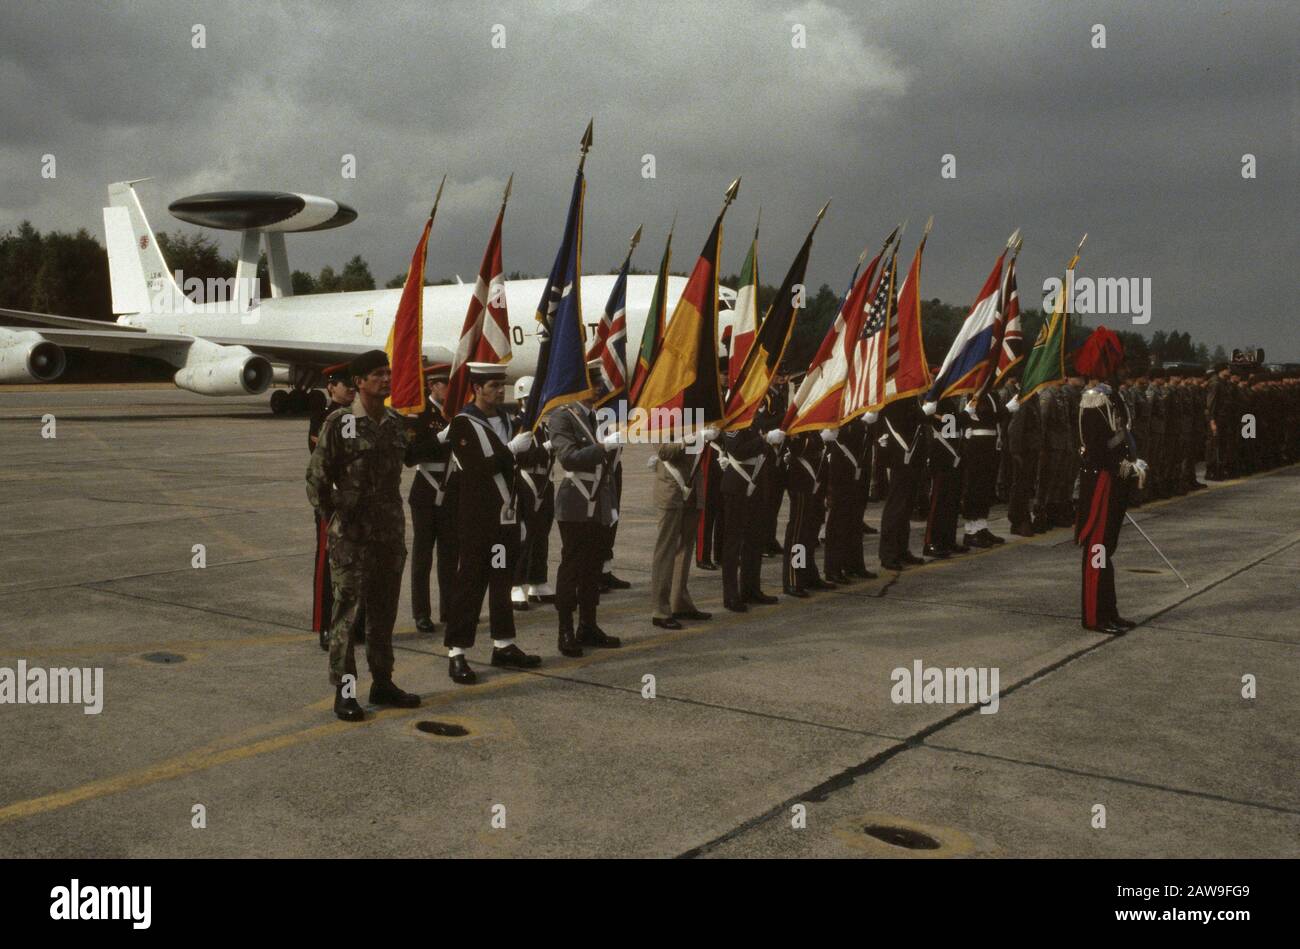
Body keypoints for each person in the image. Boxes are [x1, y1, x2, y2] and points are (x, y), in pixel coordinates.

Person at [305, 350, 420, 721]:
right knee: (347, 615)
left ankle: (383, 682)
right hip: (352, 536)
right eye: (377, 374)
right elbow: (315, 481)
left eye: (388, 373)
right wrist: (339, 514)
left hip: (389, 534)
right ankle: (346, 691)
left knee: (384, 613)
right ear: (359, 382)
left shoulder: (395, 424)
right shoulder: (342, 423)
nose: (386, 379)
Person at [442, 363, 543, 684]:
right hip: (477, 520)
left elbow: (517, 467)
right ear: (477, 389)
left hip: (506, 519)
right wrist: (511, 449)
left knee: (501, 582)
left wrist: (535, 449)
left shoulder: (508, 420)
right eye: (493, 386)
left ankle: (503, 643)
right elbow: (477, 469)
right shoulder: (462, 424)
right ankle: (457, 652)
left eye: (502, 385)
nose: (501, 391)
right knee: (470, 583)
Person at [1074, 330, 1143, 635]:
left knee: (1108, 548)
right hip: (1102, 479)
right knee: (1097, 548)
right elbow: (1097, 448)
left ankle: (1109, 610)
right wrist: (1124, 465)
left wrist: (1131, 460)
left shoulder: (1110, 396)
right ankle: (1094, 615)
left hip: (1113, 478)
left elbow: (1119, 436)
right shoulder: (1093, 399)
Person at [548, 380, 622, 657]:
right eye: (593, 382)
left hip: (600, 501)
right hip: (576, 502)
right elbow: (568, 458)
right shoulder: (562, 416)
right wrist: (603, 446)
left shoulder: (595, 417)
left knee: (593, 567)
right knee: (572, 566)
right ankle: (565, 629)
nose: (601, 387)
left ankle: (588, 625)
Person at [308, 364, 363, 650]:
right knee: (327, 565)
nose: (350, 389)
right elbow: (323, 458)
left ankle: (355, 623)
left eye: (352, 384)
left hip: (357, 501)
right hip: (332, 500)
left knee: (358, 564)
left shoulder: (358, 416)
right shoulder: (323, 417)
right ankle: (326, 626)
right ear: (330, 387)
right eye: (343, 384)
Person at [404, 361, 455, 635]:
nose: (450, 388)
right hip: (426, 490)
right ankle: (422, 613)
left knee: (449, 555)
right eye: (446, 383)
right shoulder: (420, 415)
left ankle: (448, 607)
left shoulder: (456, 412)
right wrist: (440, 439)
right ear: (433, 385)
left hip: (451, 489)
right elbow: (410, 457)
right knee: (423, 557)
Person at [649, 428, 714, 628]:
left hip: (693, 487)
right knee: (666, 550)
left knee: (685, 548)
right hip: (671, 487)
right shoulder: (666, 413)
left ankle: (680, 602)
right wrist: (692, 438)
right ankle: (660, 610)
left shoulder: (697, 413)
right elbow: (664, 451)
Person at [508, 376, 556, 610]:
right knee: (523, 535)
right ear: (522, 400)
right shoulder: (518, 425)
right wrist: (545, 450)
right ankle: (516, 584)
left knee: (541, 532)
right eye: (531, 399)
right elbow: (519, 457)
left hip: (544, 480)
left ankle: (538, 580)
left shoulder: (543, 426)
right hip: (525, 481)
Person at [718, 420, 775, 611]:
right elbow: (738, 450)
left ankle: (750, 588)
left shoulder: (754, 418)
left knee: (755, 538)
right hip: (738, 483)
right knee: (733, 542)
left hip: (756, 481)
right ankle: (731, 595)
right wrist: (764, 439)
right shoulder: (734, 418)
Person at [960, 387, 1015, 548]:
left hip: (990, 443)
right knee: (975, 487)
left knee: (985, 487)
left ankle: (981, 527)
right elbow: (984, 415)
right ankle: (970, 531)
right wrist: (1007, 409)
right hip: (978, 443)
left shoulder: (992, 393)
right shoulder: (976, 393)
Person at [879, 397, 929, 570]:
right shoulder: (895, 400)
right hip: (898, 458)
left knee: (906, 506)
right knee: (896, 507)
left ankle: (901, 549)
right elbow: (898, 425)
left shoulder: (911, 400)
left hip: (913, 459)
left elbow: (920, 422)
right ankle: (888, 553)